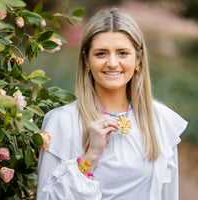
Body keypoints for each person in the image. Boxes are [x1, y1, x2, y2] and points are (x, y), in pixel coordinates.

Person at [37, 7, 188, 200]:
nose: (112, 63)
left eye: (123, 53)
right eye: (101, 53)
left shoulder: (161, 120)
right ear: (86, 59)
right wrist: (91, 155)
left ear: (138, 58)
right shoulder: (61, 122)